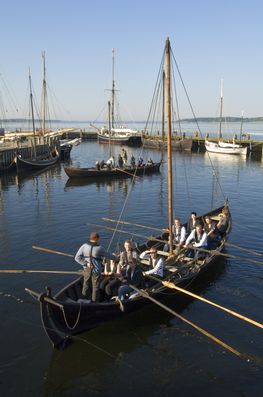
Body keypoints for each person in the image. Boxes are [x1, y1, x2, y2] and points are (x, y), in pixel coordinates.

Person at [75, 232, 117, 302]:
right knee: (95, 287)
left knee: (86, 285)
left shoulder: (84, 246)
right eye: (98, 239)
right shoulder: (99, 248)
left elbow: (77, 258)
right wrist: (116, 258)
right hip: (96, 271)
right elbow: (108, 255)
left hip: (86, 270)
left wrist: (86, 263)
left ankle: (83, 299)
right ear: (96, 238)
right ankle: (94, 302)